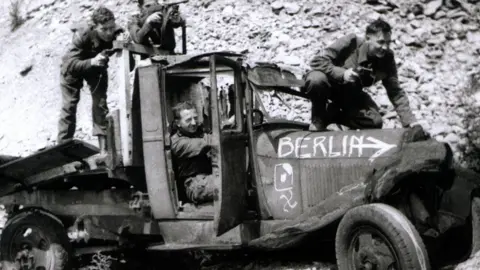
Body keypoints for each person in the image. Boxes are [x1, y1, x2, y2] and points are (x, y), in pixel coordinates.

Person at [304, 18, 427, 136]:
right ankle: (318, 118)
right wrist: (342, 74)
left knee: (375, 121)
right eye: (381, 42)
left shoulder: (387, 58)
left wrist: (410, 121)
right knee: (316, 79)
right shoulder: (351, 42)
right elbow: (317, 61)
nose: (385, 47)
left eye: (388, 43)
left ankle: (332, 117)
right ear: (368, 38)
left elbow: (395, 91)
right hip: (329, 87)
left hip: (350, 94)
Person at [57, 6, 123, 161]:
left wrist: (122, 38)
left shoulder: (116, 30)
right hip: (74, 68)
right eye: (104, 29)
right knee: (69, 106)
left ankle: (104, 150)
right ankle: (62, 151)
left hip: (96, 66)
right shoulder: (83, 34)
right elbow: (69, 63)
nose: (108, 33)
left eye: (111, 28)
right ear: (95, 27)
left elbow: (123, 33)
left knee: (100, 104)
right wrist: (91, 61)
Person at [170, 101, 217, 204]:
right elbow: (205, 142)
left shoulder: (198, 133)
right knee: (227, 183)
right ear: (178, 123)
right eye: (188, 120)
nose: (194, 123)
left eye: (195, 118)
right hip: (193, 185)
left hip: (207, 178)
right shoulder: (177, 142)